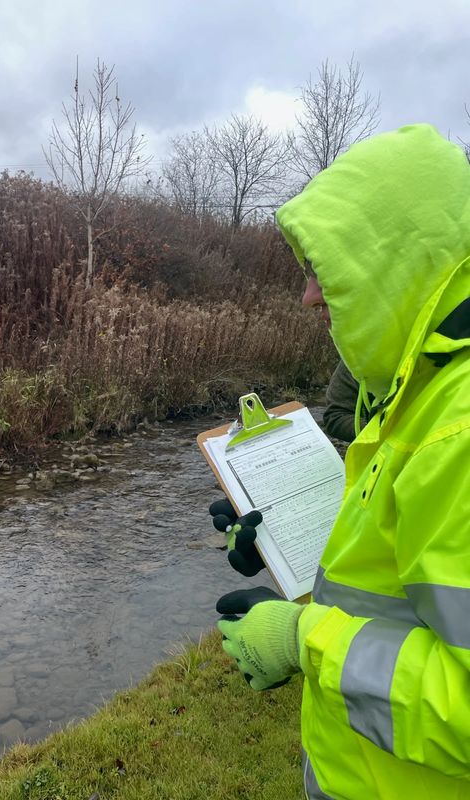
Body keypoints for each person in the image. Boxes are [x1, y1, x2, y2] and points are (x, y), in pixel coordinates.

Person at [214, 124, 470, 799]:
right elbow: (399, 562)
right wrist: (281, 539)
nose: (309, 297)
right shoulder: (420, 389)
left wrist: (303, 639)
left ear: (395, 260)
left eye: (326, 270)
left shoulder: (460, 429)